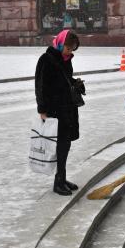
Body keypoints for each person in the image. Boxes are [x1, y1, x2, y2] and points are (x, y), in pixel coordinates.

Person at [35, 30, 85, 196]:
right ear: (60, 43)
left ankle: (62, 178)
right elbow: (40, 86)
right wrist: (42, 110)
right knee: (59, 146)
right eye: (68, 48)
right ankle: (58, 182)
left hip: (67, 109)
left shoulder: (65, 60)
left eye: (72, 50)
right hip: (55, 110)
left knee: (65, 145)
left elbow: (65, 79)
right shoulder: (46, 60)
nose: (69, 52)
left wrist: (75, 83)